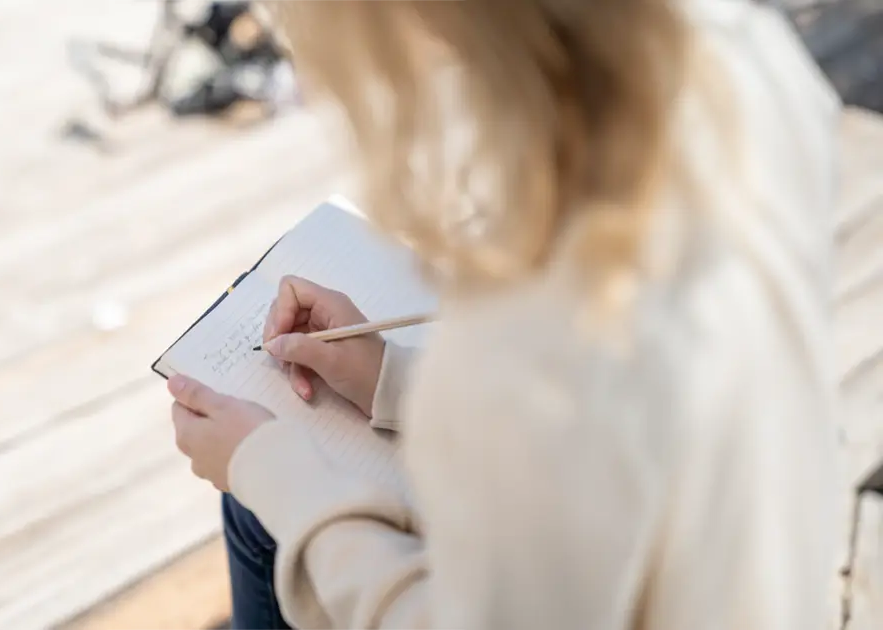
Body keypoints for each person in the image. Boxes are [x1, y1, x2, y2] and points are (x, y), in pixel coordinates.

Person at [167, 0, 844, 628]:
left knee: (257, 507)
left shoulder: (527, 339)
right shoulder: (741, 57)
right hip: (774, 585)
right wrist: (392, 380)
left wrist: (274, 473)